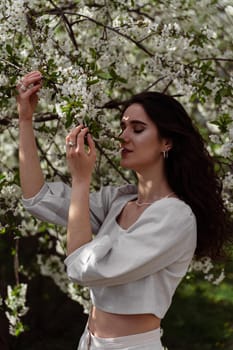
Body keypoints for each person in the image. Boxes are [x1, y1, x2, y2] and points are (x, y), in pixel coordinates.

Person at [16, 71, 232, 350]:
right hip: (90, 342)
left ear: (167, 142)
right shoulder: (119, 201)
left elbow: (82, 268)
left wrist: (81, 180)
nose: (123, 136)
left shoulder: (175, 217)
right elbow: (37, 197)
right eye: (123, 127)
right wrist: (25, 120)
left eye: (138, 129)